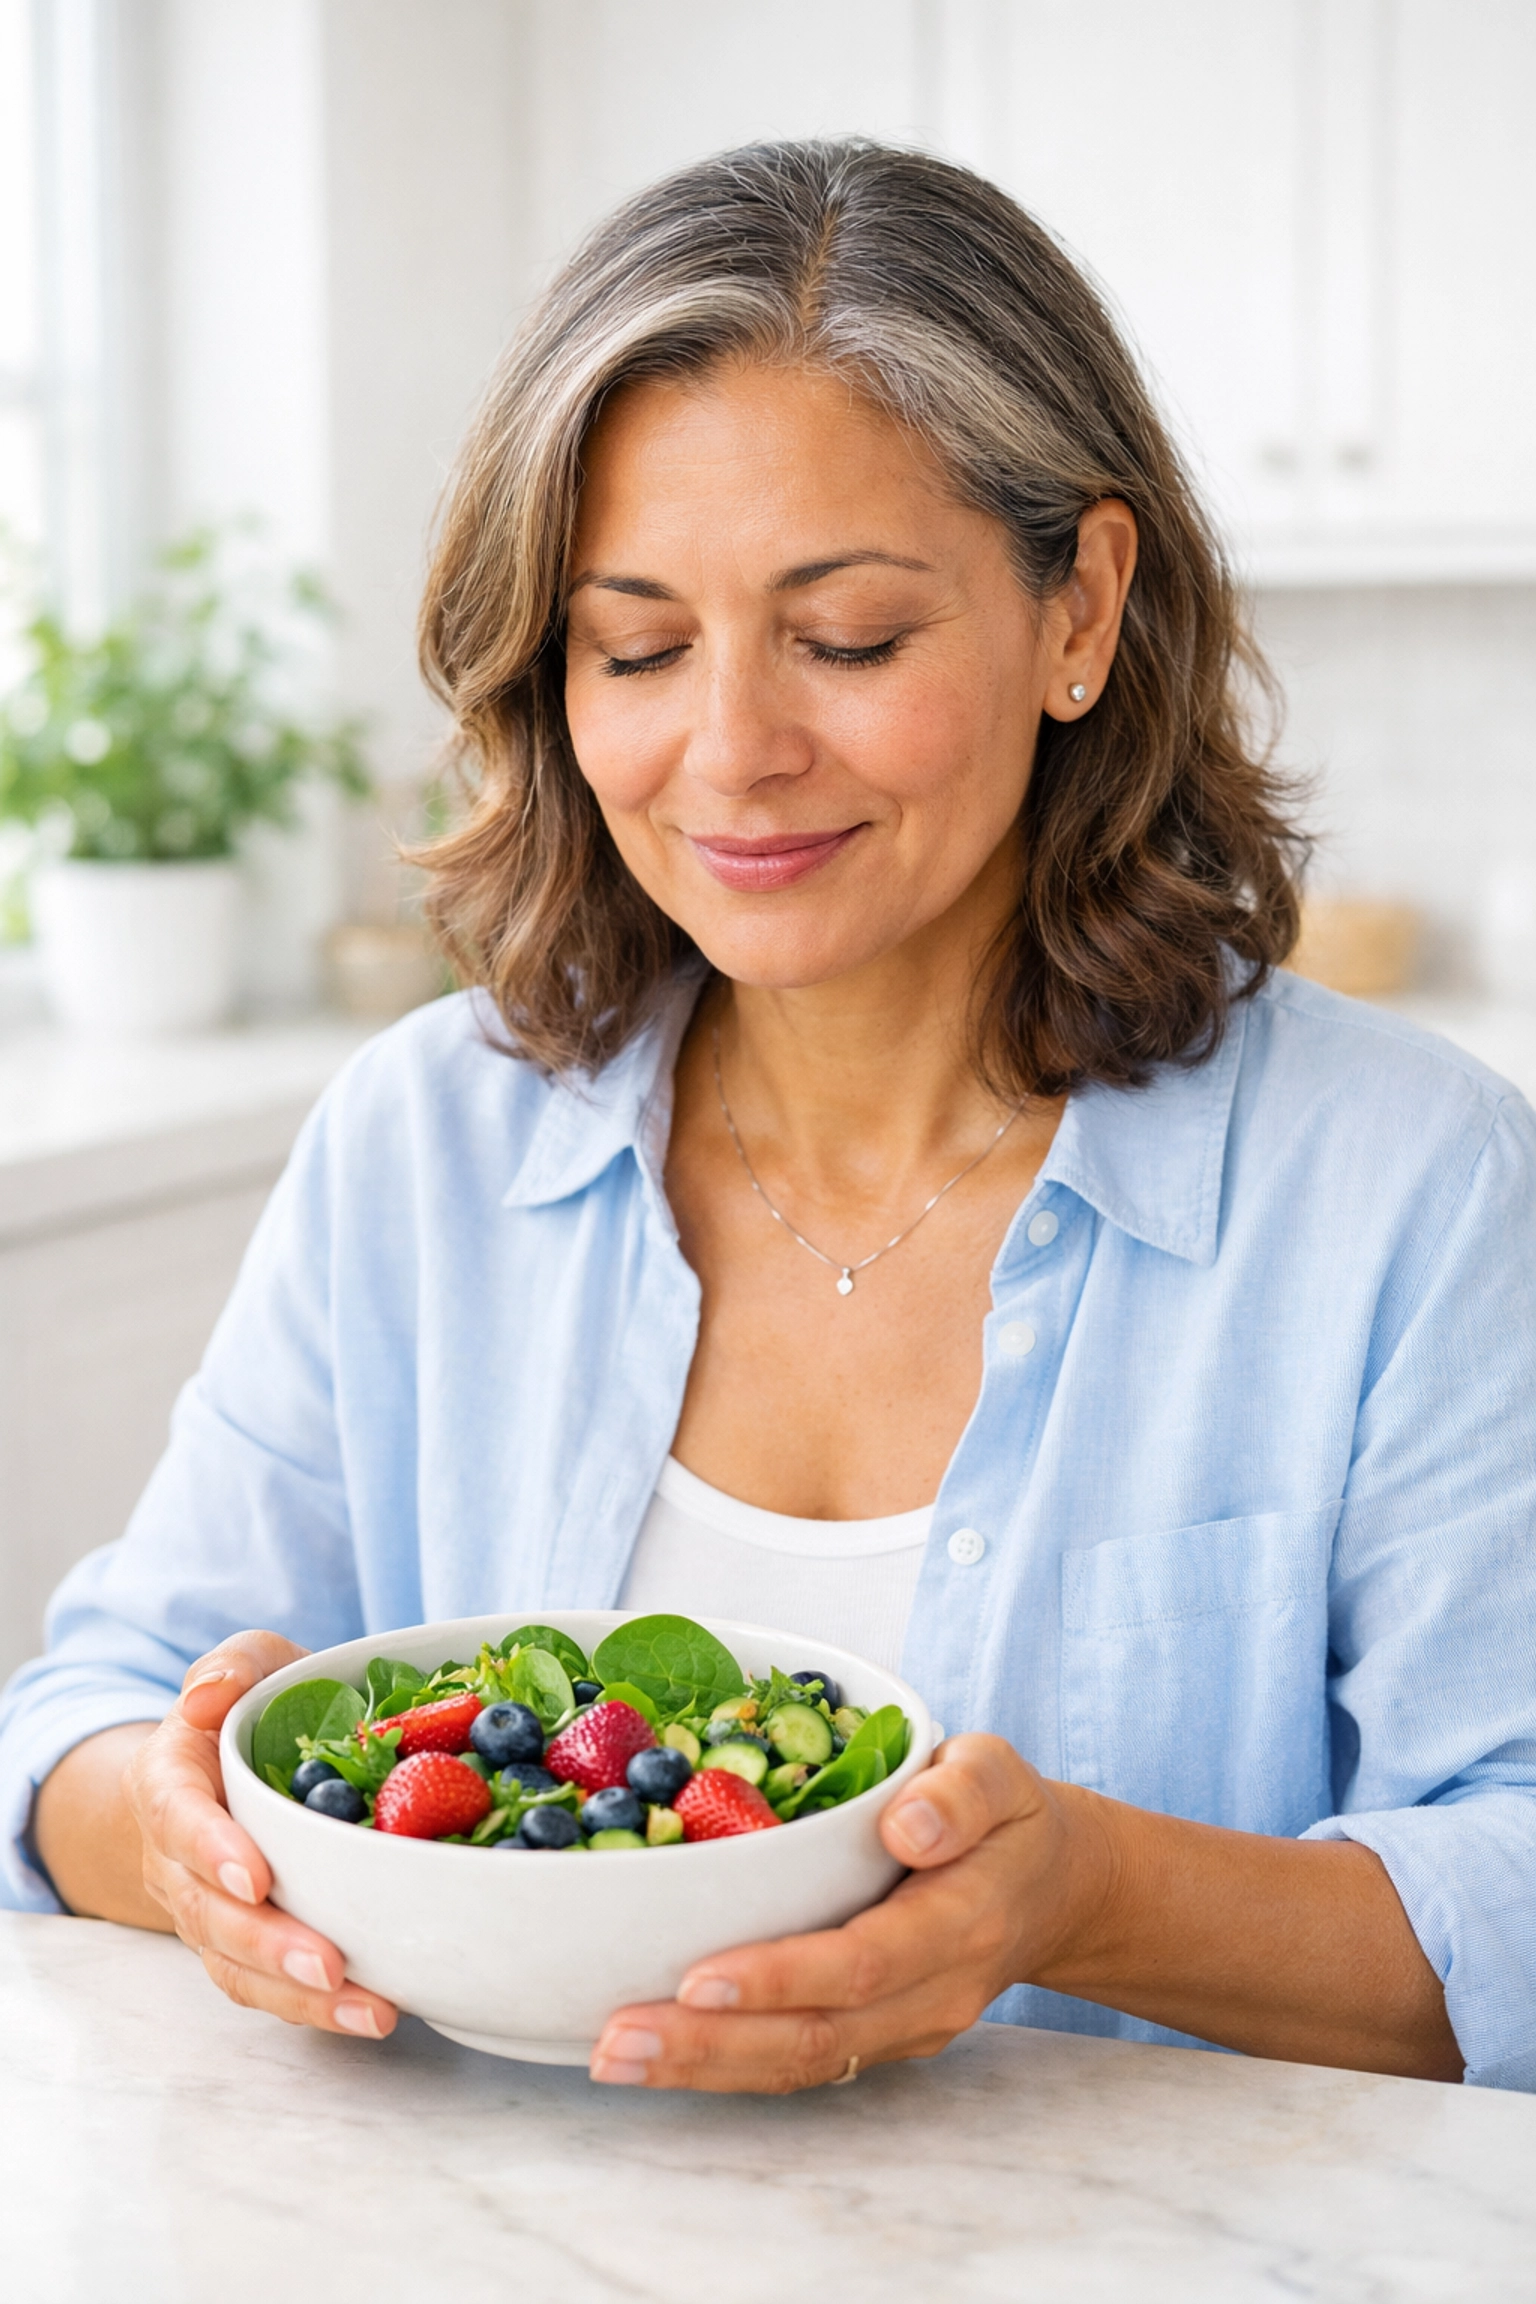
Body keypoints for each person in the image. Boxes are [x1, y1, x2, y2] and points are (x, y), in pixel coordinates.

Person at [5, 140, 1535, 2096]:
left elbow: (1516, 1891)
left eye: (850, 638)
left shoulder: (1406, 1186)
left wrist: (1076, 1896)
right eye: (634, 647)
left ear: (1081, 606)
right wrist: (192, 1840)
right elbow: (86, 1729)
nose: (731, 752)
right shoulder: (426, 1148)